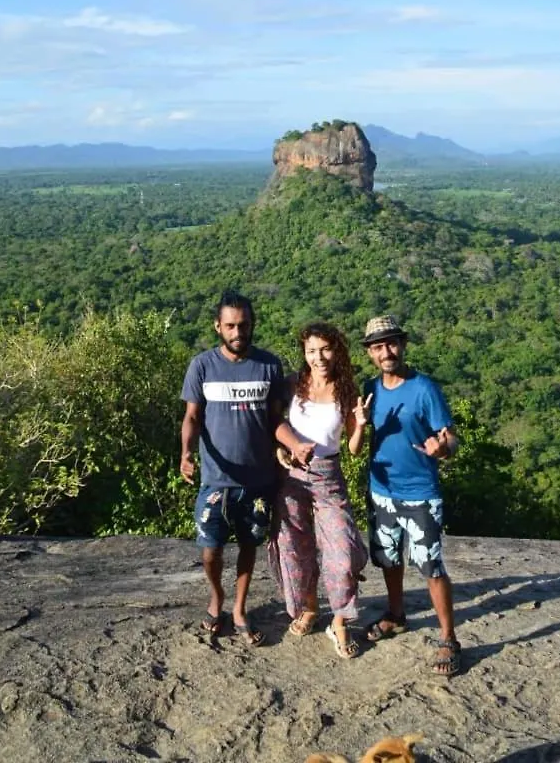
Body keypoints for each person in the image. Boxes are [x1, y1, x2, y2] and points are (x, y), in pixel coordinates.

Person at [180, 289, 312, 646]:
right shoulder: (202, 365)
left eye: (244, 325)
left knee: (249, 544)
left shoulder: (269, 365)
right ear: (218, 327)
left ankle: (239, 608)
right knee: (211, 548)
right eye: (231, 326)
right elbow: (191, 416)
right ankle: (216, 598)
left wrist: (294, 445)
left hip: (258, 479)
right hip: (216, 479)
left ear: (253, 325)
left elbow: (275, 420)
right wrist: (186, 454)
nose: (238, 332)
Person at [362, 314, 461, 676]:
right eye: (378, 347)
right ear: (371, 354)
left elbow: (449, 436)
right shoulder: (369, 390)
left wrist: (443, 448)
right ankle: (396, 614)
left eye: (391, 344)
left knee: (430, 566)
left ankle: (449, 638)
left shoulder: (425, 388)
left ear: (402, 345)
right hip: (381, 491)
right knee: (389, 560)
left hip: (420, 493)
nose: (386, 352)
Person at [269, 321, 370, 659]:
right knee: (296, 545)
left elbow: (354, 449)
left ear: (337, 350)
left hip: (329, 475)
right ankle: (310, 608)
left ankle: (340, 621)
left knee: (342, 550)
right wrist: (283, 448)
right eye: (311, 350)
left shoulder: (347, 390)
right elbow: (274, 421)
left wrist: (362, 425)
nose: (319, 357)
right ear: (304, 353)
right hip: (292, 477)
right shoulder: (293, 384)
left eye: (325, 349)